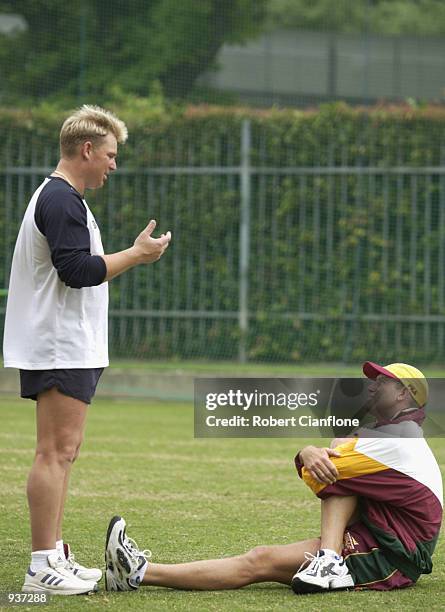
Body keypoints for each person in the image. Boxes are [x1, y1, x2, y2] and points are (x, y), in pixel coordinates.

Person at [3, 105, 171, 595]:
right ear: (87, 150)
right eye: (111, 155)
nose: (114, 165)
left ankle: (54, 553)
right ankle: (41, 565)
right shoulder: (60, 199)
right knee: (54, 453)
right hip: (59, 347)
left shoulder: (67, 198)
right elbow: (77, 271)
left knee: (65, 452)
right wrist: (137, 255)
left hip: (70, 347)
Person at [104, 362, 442, 594]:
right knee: (261, 558)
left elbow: (320, 474)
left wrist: (308, 453)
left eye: (382, 382)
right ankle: (328, 559)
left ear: (404, 395)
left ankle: (139, 573)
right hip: (381, 538)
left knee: (261, 559)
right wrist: (314, 450)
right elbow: (336, 461)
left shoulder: (398, 436)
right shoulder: (394, 432)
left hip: (392, 557)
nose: (372, 386)